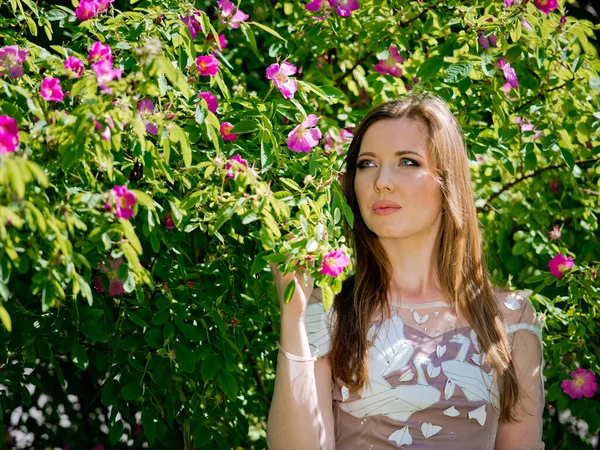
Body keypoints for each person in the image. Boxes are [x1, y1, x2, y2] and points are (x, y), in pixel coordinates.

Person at [267, 93, 544, 450]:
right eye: (367, 164)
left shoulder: (509, 319)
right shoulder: (330, 308)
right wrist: (294, 313)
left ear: (447, 181)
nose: (382, 181)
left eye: (408, 162)